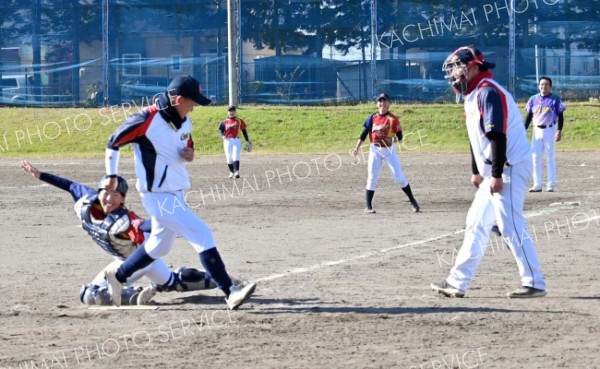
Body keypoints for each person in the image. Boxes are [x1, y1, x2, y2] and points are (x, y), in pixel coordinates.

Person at [103, 75, 256, 309]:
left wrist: (189, 153)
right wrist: (112, 176)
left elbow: (187, 143)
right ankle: (230, 290)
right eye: (192, 102)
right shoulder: (146, 118)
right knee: (202, 234)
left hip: (177, 191)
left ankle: (119, 276)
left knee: (159, 246)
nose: (194, 107)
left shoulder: (183, 121)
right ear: (178, 99)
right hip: (157, 195)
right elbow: (114, 141)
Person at [431, 46, 546, 298]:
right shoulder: (471, 95)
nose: (453, 72)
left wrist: (494, 175)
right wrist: (477, 171)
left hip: (509, 167)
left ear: (473, 66)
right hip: (498, 168)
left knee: (510, 225)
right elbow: (476, 138)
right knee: (476, 222)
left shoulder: (488, 92)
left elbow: (497, 135)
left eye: (457, 66)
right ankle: (457, 282)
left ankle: (535, 281)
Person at [20, 160, 218, 306]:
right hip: (132, 260)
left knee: (91, 294)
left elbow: (144, 225)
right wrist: (40, 175)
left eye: (117, 195)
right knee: (172, 283)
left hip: (135, 262)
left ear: (122, 200)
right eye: (106, 192)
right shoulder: (86, 200)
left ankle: (135, 295)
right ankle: (214, 279)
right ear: (98, 192)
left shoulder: (125, 220)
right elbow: (69, 185)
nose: (109, 198)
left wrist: (172, 219)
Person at [351, 93, 420, 214]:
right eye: (380, 101)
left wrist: (391, 140)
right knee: (372, 178)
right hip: (375, 150)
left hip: (389, 150)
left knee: (399, 177)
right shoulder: (372, 118)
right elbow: (364, 133)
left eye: (385, 101)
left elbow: (400, 137)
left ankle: (413, 202)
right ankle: (368, 207)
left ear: (389, 103)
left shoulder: (393, 119)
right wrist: (357, 147)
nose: (382, 104)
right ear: (377, 104)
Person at [524, 76, 566, 192]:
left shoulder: (555, 99)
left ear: (550, 86)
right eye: (542, 84)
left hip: (550, 130)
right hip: (536, 130)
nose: (544, 86)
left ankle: (550, 185)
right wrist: (524, 130)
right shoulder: (533, 99)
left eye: (546, 84)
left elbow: (561, 116)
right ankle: (537, 185)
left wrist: (559, 130)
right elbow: (529, 116)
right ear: (539, 86)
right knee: (535, 157)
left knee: (550, 157)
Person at [219, 105, 252, 178]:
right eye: (230, 111)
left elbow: (244, 131)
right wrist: (222, 136)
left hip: (236, 140)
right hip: (227, 141)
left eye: (233, 110)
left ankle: (236, 172)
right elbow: (221, 130)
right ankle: (231, 172)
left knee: (235, 156)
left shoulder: (239, 121)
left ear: (235, 112)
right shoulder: (224, 122)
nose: (231, 112)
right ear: (227, 112)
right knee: (229, 158)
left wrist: (247, 140)